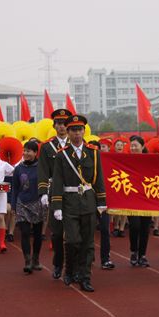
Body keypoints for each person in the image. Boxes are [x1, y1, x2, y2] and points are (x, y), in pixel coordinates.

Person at [51, 114, 107, 292]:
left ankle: (85, 277)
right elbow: (58, 181)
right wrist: (57, 205)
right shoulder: (62, 155)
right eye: (73, 130)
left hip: (88, 201)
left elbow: (98, 180)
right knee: (73, 240)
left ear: (84, 131)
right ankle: (70, 269)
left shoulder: (93, 153)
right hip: (69, 202)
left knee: (88, 243)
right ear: (67, 132)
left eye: (79, 130)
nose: (77, 133)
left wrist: (101, 201)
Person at [37, 109, 73, 279]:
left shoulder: (77, 144)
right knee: (57, 233)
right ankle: (58, 264)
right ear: (54, 126)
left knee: (74, 232)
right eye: (58, 123)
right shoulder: (47, 147)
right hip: (55, 193)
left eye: (65, 123)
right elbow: (43, 170)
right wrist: (43, 191)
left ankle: (73, 266)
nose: (62, 127)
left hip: (74, 194)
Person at [12, 141, 47, 274]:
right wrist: (14, 204)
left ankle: (36, 259)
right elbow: (15, 187)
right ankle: (27, 261)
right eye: (24, 150)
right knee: (25, 232)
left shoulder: (41, 167)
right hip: (22, 203)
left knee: (37, 234)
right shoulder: (19, 168)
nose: (26, 153)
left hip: (38, 202)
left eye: (29, 151)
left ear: (35, 153)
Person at [127, 136, 151, 267]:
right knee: (135, 226)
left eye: (135, 145)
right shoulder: (126, 160)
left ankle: (142, 255)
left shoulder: (149, 160)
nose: (133, 148)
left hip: (147, 199)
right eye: (131, 145)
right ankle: (133, 251)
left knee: (145, 227)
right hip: (132, 199)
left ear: (142, 147)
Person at [96, 139, 115, 270]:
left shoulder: (111, 163)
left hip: (103, 202)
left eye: (101, 148)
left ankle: (105, 258)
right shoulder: (86, 163)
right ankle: (88, 257)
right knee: (86, 231)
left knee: (104, 229)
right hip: (87, 201)